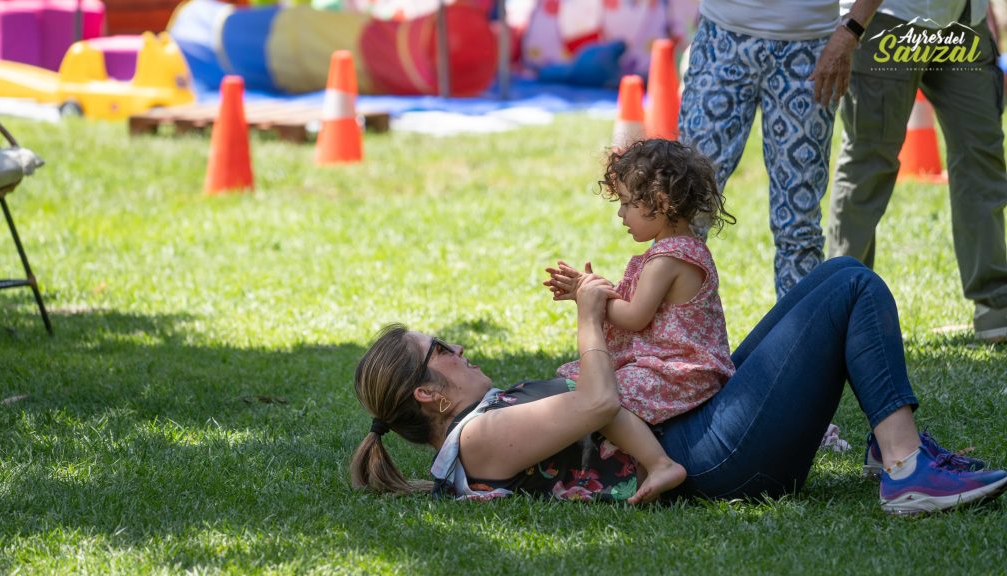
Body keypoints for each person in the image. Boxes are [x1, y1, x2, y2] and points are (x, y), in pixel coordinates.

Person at [351, 256, 1007, 513]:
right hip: (710, 461)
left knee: (836, 277)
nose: (459, 349)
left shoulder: (486, 419)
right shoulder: (475, 441)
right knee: (853, 288)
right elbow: (598, 403)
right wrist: (589, 317)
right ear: (428, 394)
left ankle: (894, 448)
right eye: (441, 350)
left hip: (701, 436)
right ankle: (905, 467)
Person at [541, 139, 736, 503]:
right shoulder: (680, 249)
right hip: (670, 363)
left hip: (683, 370)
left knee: (602, 394)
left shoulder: (667, 259)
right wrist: (591, 290)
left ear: (661, 202)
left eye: (629, 203)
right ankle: (631, 460)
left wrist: (591, 300)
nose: (621, 214)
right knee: (586, 383)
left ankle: (659, 464)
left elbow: (634, 317)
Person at [827, 0, 1007, 343]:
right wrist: (852, 28)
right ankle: (840, 310)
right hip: (888, 17)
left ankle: (995, 302)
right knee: (869, 163)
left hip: (964, 20)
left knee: (981, 153)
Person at [678, 0, 884, 298]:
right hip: (722, 39)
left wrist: (850, 32)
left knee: (799, 225)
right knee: (685, 205)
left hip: (810, 48)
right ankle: (671, 325)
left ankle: (800, 328)